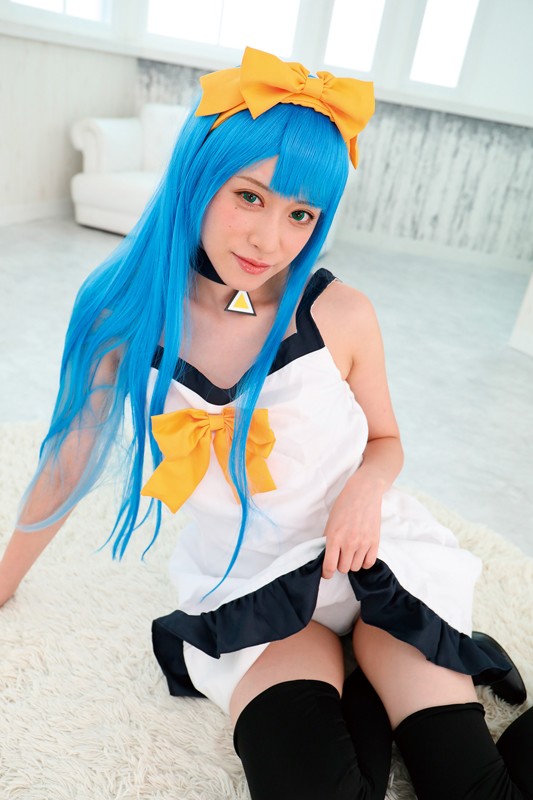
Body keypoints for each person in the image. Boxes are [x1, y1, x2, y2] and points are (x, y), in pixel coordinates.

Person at [0, 46, 531, 800]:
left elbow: (386, 441)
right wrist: (5, 582)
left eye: (299, 214)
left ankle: (389, 680)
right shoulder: (120, 313)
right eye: (249, 197)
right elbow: (67, 459)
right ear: (198, 175)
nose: (269, 241)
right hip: (255, 589)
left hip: (376, 566)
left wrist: (363, 493)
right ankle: (361, 693)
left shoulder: (339, 313)